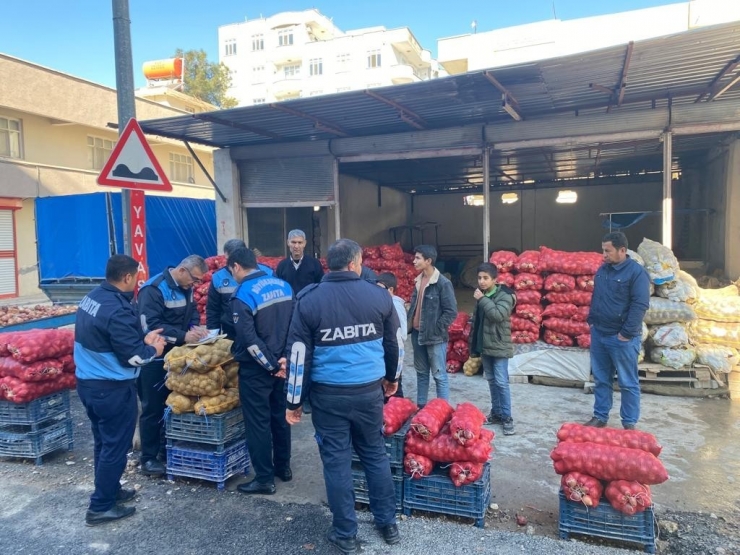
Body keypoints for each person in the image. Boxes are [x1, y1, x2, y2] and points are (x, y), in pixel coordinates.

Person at [284, 239, 402, 554]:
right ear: (355, 263)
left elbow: (298, 357)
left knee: (336, 462)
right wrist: (392, 379)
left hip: (328, 397)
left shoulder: (309, 300)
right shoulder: (379, 296)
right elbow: (394, 344)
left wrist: (293, 402)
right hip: (368, 394)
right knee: (375, 455)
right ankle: (387, 524)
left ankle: (346, 533)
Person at [74, 255, 166, 526]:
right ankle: (100, 507)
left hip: (88, 384)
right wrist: (153, 349)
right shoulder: (117, 309)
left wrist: (141, 339)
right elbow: (133, 357)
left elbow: (112, 339)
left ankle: (109, 490)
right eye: (136, 277)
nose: (137, 282)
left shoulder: (92, 297)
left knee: (104, 442)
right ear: (127, 277)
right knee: (116, 446)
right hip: (111, 388)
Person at [228, 247, 294, 495]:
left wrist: (270, 365)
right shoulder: (284, 286)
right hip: (283, 366)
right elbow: (294, 325)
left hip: (258, 370)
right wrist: (284, 361)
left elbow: (249, 339)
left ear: (236, 266)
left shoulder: (242, 295)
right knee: (280, 416)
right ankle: (283, 468)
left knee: (258, 423)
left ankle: (264, 479)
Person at [136, 255, 209, 476]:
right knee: (152, 407)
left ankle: (165, 450)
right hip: (154, 358)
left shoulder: (185, 287)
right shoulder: (154, 289)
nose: (195, 285)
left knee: (172, 404)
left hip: (176, 357)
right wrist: (183, 336)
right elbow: (151, 326)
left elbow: (192, 312)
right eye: (195, 280)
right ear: (183, 270)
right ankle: (148, 459)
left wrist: (196, 328)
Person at [586, 231, 650, 430]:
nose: (604, 254)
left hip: (621, 338)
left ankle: (629, 423)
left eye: (608, 251)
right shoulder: (603, 270)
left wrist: (626, 333)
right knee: (601, 379)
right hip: (600, 334)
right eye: (603, 250)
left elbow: (640, 305)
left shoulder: (636, 273)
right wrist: (592, 322)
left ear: (622, 250)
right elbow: (597, 297)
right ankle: (600, 416)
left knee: (627, 382)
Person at [469, 263, 517, 435]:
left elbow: (497, 315)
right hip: (485, 346)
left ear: (495, 280)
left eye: (486, 278)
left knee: (502, 382)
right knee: (491, 381)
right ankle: (496, 413)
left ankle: (507, 417)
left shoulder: (505, 296)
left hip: (499, 345)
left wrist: (482, 300)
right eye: (479, 278)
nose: (481, 281)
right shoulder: (482, 295)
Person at [407, 245, 458, 407]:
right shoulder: (418, 280)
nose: (414, 261)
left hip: (435, 337)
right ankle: (421, 407)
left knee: (439, 375)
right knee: (421, 373)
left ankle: (442, 411)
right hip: (417, 334)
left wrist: (436, 329)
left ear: (428, 261)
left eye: (417, 258)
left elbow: (451, 312)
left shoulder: (443, 283)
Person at [206, 239, 273, 339]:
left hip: (261, 331)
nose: (233, 265)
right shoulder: (218, 278)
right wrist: (212, 336)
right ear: (225, 256)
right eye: (230, 260)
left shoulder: (267, 272)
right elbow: (213, 310)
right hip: (231, 333)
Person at [376, 272, 407, 398]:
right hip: (386, 353)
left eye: (380, 289)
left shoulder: (395, 306)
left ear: (391, 289)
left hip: (392, 353)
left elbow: (400, 334)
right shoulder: (385, 304)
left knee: (395, 389)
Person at [275, 229, 324, 294]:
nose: (296, 246)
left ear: (305, 243)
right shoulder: (282, 265)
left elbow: (320, 287)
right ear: (288, 243)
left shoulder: (315, 264)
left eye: (300, 242)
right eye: (293, 242)